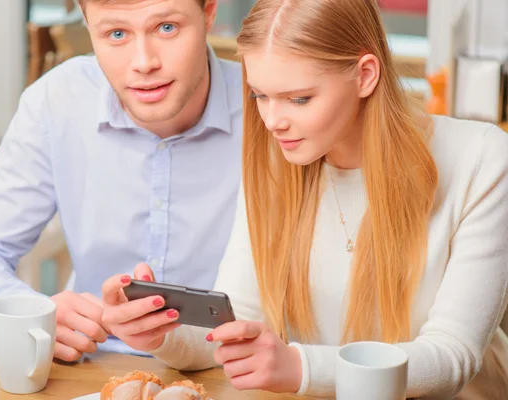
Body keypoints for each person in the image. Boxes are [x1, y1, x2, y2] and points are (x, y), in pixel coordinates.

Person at [99, 0, 508, 398]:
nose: (273, 121)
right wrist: (160, 332)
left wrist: (299, 368)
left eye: (299, 99)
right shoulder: (277, 161)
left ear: (365, 75)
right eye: (260, 95)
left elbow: (453, 357)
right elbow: (239, 319)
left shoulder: (482, 159)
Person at [0, 0, 243, 362]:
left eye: (167, 27)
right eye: (116, 34)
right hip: (96, 362)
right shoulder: (58, 100)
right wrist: (32, 313)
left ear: (209, 13)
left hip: (234, 368)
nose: (144, 62)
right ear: (88, 27)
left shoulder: (270, 107)